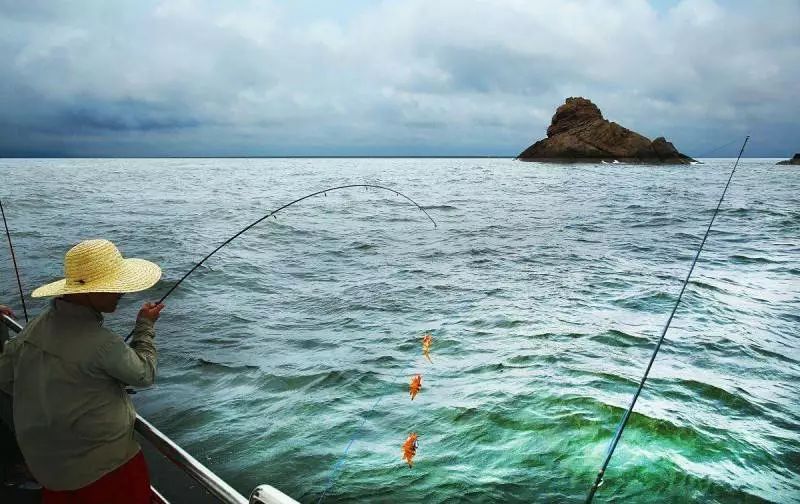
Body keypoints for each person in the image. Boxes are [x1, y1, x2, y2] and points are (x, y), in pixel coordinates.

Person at [0, 239, 164, 503]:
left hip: (48, 468)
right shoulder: (104, 343)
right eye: (114, 286)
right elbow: (144, 374)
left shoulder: (35, 328)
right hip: (105, 472)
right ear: (88, 292)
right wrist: (145, 326)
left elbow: (6, 378)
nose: (121, 291)